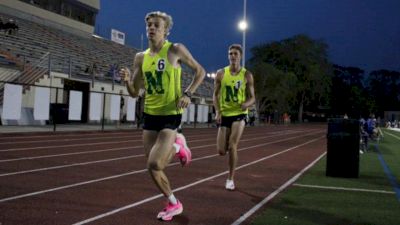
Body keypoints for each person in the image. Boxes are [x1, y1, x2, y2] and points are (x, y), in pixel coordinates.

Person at [120, 11, 205, 221]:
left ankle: (177, 145)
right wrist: (127, 81)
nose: (151, 28)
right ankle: (173, 202)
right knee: (153, 166)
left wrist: (188, 93)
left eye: (157, 25)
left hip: (171, 113)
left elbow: (200, 71)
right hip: (150, 114)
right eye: (149, 24)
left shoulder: (175, 49)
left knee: (155, 164)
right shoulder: (140, 57)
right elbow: (134, 92)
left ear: (166, 30)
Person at [213, 44, 256, 191]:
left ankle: (230, 178)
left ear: (240, 56)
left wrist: (246, 104)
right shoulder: (221, 74)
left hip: (239, 114)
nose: (232, 56)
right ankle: (230, 166)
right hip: (225, 113)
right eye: (230, 54)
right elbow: (215, 95)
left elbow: (253, 98)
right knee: (220, 150)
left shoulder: (246, 75)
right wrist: (218, 112)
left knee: (232, 146)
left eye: (235, 54)